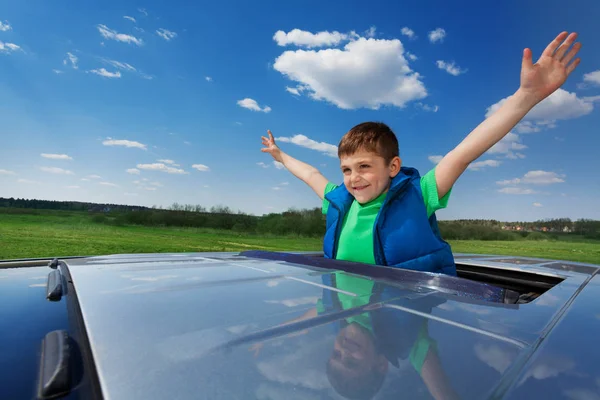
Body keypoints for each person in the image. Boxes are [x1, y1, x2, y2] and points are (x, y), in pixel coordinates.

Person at [261, 32, 582, 274]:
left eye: (364, 166)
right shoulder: (338, 200)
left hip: (404, 320)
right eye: (346, 169)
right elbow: (311, 174)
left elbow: (463, 153)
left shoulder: (420, 194)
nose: (353, 178)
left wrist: (525, 96)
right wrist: (279, 154)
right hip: (348, 319)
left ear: (393, 166)